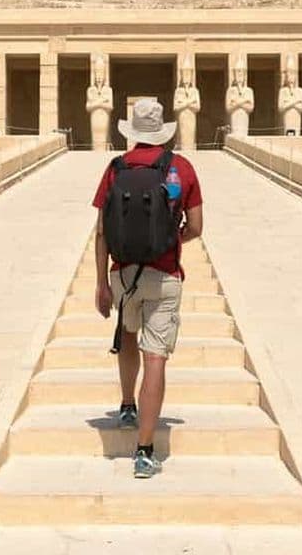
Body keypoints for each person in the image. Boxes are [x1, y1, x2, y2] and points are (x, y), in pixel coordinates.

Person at [92, 99, 203, 479]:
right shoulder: (181, 168)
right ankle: (143, 451)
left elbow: (102, 231)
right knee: (155, 357)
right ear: (163, 131)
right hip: (165, 273)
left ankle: (126, 405)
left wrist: (101, 283)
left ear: (132, 132)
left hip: (123, 273)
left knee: (126, 335)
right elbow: (198, 226)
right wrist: (170, 240)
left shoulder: (116, 168)